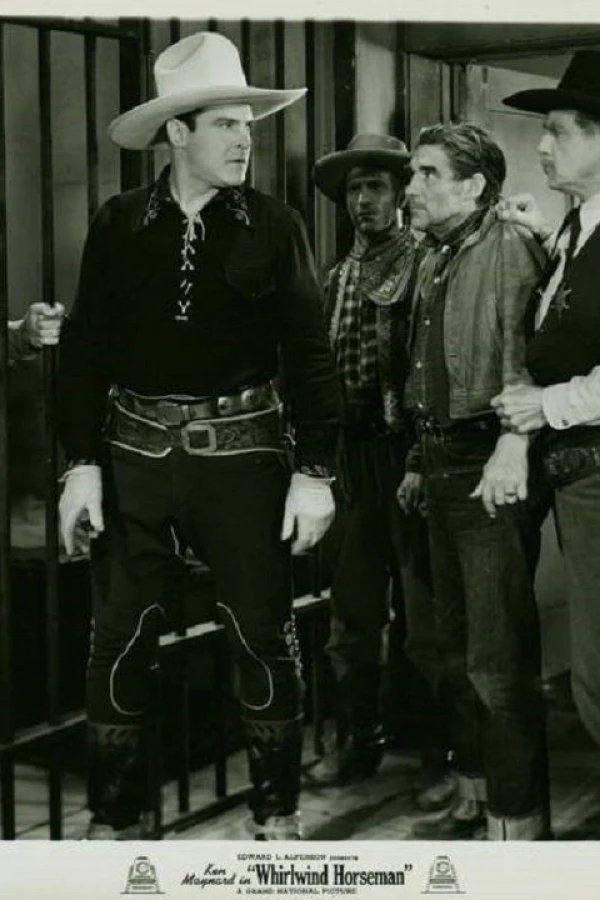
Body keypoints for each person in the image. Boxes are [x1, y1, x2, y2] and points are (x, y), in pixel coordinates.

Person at [57, 31, 340, 841]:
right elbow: (84, 352)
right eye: (224, 124)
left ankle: (277, 817)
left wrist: (315, 471)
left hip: (245, 457)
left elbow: (311, 355)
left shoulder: (276, 225)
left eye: (247, 125)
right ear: (177, 133)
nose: (245, 140)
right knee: (118, 639)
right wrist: (80, 465)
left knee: (262, 635)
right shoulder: (119, 224)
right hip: (134, 455)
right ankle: (113, 824)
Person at [399, 122, 551, 840]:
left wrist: (512, 446)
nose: (411, 187)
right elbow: (424, 370)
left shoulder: (508, 245)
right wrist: (414, 461)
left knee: (495, 658)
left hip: (485, 460)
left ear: (474, 185)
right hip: (438, 463)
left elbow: (526, 362)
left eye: (427, 173)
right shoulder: (436, 254)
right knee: (454, 649)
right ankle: (477, 790)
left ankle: (516, 820)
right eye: (413, 173)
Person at [310, 134, 454, 811]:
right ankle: (356, 742)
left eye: (375, 187)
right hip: (351, 461)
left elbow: (430, 369)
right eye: (353, 190)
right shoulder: (337, 276)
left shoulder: (425, 263)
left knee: (424, 618)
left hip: (407, 457)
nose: (363, 200)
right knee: (352, 613)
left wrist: (420, 458)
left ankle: (438, 755)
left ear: (399, 194)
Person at [494, 51, 600, 749]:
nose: (541, 146)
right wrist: (541, 236)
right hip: (577, 479)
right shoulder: (575, 226)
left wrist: (548, 404)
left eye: (558, 130)